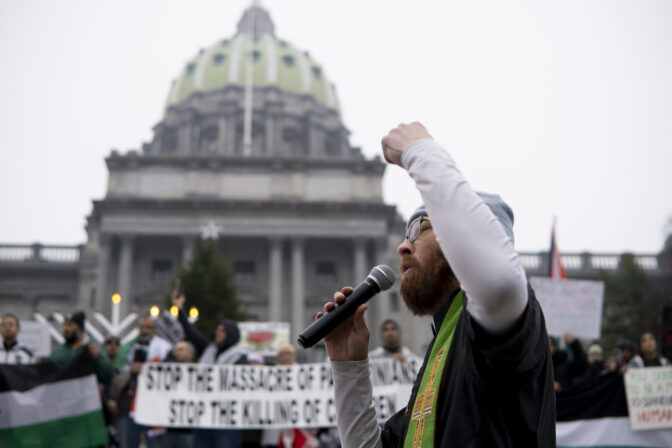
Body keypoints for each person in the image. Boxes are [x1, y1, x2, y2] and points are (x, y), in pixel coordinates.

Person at [316, 122, 555, 447]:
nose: (403, 246)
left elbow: (498, 282)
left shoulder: (505, 324)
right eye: (404, 234)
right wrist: (348, 367)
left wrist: (422, 152)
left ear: (462, 240)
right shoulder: (436, 363)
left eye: (419, 229)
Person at [172, 289, 248, 447]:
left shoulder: (240, 358)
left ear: (232, 334)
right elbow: (191, 332)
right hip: (204, 417)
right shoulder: (209, 350)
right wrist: (180, 309)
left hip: (227, 420)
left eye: (222, 331)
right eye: (217, 330)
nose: (217, 333)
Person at [118, 315, 173, 448]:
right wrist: (131, 371)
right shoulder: (127, 348)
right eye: (142, 327)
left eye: (148, 327)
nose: (145, 331)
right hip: (129, 403)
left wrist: (148, 368)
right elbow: (117, 375)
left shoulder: (164, 348)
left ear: (154, 330)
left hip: (154, 406)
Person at [49, 311, 113, 384]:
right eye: (65, 325)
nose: (66, 329)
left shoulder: (93, 347)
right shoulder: (59, 351)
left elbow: (107, 375)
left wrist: (97, 358)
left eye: (70, 325)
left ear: (80, 328)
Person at [163, 341, 196, 448]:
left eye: (181, 349)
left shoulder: (199, 373)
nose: (176, 353)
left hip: (189, 430)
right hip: (169, 429)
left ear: (191, 354)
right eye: (175, 350)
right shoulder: (166, 373)